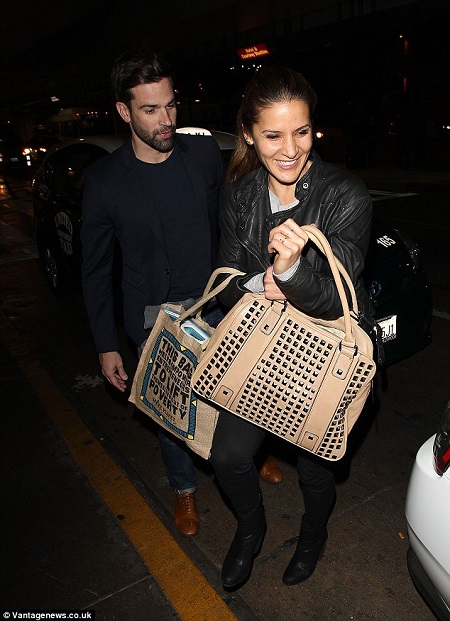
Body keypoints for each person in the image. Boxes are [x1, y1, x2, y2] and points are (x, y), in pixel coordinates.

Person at [81, 49, 281, 539]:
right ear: (124, 111)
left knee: (242, 394)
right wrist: (106, 344)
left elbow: (233, 219)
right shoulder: (104, 182)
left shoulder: (201, 154)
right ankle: (184, 488)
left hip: (219, 303)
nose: (166, 119)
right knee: (172, 414)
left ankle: (249, 454)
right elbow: (96, 269)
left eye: (170, 105)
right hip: (155, 316)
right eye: (150, 109)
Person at [210, 66, 373, 589]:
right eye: (273, 135)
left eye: (301, 132)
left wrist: (292, 273)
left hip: (325, 354)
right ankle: (250, 529)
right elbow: (225, 281)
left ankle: (311, 537)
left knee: (315, 469)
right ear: (249, 135)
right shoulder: (239, 197)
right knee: (228, 455)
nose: (290, 150)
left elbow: (340, 297)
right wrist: (261, 282)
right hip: (260, 346)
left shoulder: (345, 194)